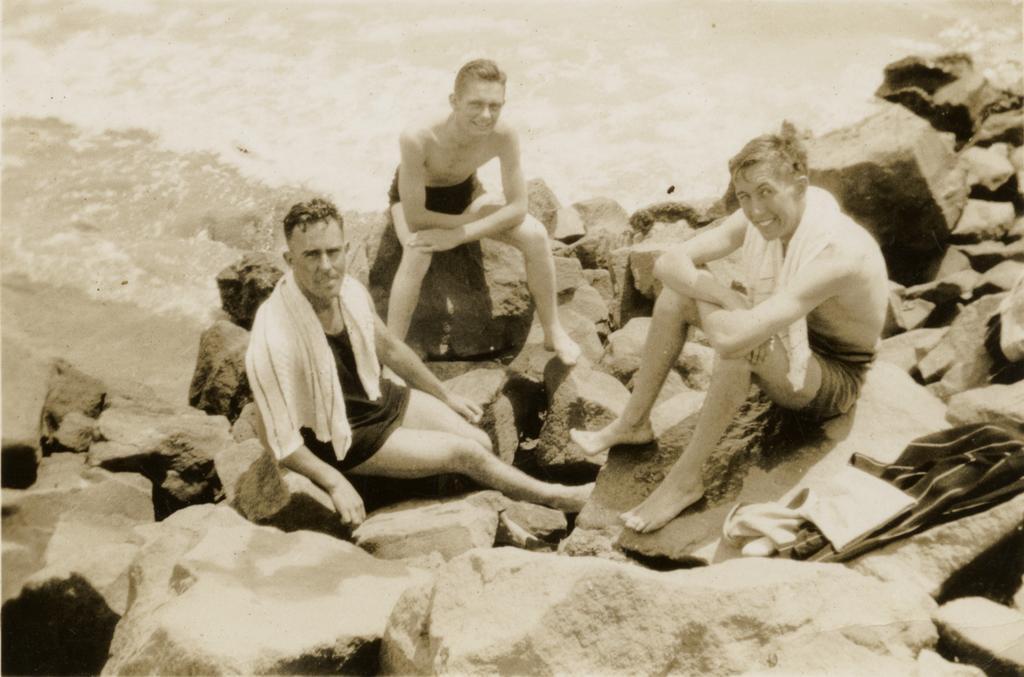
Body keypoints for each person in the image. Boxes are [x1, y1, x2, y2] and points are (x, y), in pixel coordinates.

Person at [570, 131, 890, 533]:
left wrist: (719, 305)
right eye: (743, 196)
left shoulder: (836, 252)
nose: (755, 210)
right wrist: (723, 295)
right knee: (676, 294)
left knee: (737, 345)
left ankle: (685, 480)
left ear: (800, 186)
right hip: (790, 337)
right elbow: (670, 262)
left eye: (765, 192)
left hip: (832, 376)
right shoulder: (763, 216)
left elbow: (728, 341)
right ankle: (634, 421)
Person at [246, 198, 591, 527]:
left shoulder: (348, 291)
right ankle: (557, 497)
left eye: (333, 251)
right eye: (311, 255)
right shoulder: (274, 331)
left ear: (346, 250)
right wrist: (333, 481)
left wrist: (444, 394)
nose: (326, 266)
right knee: (465, 454)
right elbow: (273, 434)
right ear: (288, 260)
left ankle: (472, 508)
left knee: (480, 443)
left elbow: (391, 350)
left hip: (378, 397)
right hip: (342, 434)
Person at [386, 58, 580, 365]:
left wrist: (458, 234)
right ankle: (392, 355)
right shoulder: (418, 136)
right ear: (454, 101)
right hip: (413, 204)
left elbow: (518, 207)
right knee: (418, 249)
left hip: (466, 194)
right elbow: (416, 217)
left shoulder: (504, 135)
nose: (486, 115)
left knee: (536, 233)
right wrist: (475, 225)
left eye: (495, 105)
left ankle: (553, 331)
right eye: (475, 104)